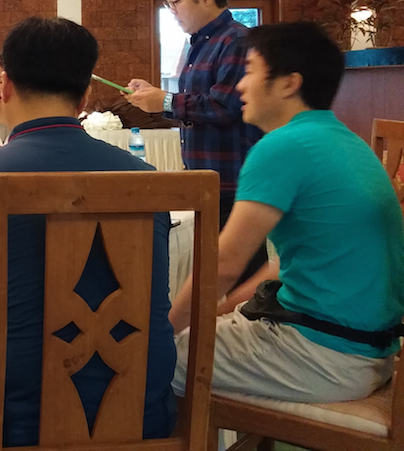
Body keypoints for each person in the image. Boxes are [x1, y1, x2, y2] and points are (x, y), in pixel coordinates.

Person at [0, 17, 176, 446]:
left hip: (16, 427)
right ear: (85, 95)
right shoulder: (146, 181)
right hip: (143, 419)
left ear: (5, 86)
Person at [170, 22, 404, 403]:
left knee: (144, 363)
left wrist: (161, 335)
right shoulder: (346, 141)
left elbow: (224, 265)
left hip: (321, 355)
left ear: (288, 83)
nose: (240, 86)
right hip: (369, 352)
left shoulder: (282, 147)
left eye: (249, 71)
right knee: (186, 339)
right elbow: (280, 267)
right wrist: (224, 310)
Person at [125, 0, 265, 280]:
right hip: (209, 179)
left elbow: (224, 106)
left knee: (237, 274)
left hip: (231, 181)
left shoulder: (236, 40)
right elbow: (197, 106)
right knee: (213, 270)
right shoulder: (200, 43)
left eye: (175, 1)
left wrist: (165, 101)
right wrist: (156, 98)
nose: (171, 10)